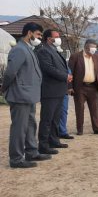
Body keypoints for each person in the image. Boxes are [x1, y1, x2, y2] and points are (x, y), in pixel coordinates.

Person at [1, 22, 51, 168]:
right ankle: (16, 159)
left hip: (29, 95)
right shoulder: (19, 50)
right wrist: (4, 88)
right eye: (38, 34)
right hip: (20, 95)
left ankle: (31, 152)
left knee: (30, 126)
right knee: (19, 128)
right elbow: (10, 72)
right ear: (29, 33)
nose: (40, 38)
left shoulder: (29, 49)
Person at [36, 29, 72, 154]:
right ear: (48, 38)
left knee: (55, 118)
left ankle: (54, 140)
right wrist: (65, 76)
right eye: (56, 37)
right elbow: (48, 69)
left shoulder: (55, 50)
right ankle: (43, 145)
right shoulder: (43, 51)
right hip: (49, 91)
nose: (58, 39)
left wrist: (67, 76)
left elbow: (61, 67)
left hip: (59, 90)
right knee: (47, 119)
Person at [68, 39, 98, 135]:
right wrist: (70, 87)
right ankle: (80, 130)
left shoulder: (96, 56)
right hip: (80, 87)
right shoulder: (75, 56)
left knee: (95, 109)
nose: (94, 49)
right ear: (86, 47)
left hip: (93, 87)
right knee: (80, 109)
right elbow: (69, 73)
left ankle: (97, 129)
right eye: (92, 47)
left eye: (95, 48)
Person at [57, 46, 74, 140]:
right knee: (55, 113)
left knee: (64, 111)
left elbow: (69, 74)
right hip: (54, 90)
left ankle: (63, 131)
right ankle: (55, 132)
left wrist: (70, 87)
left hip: (64, 90)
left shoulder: (63, 61)